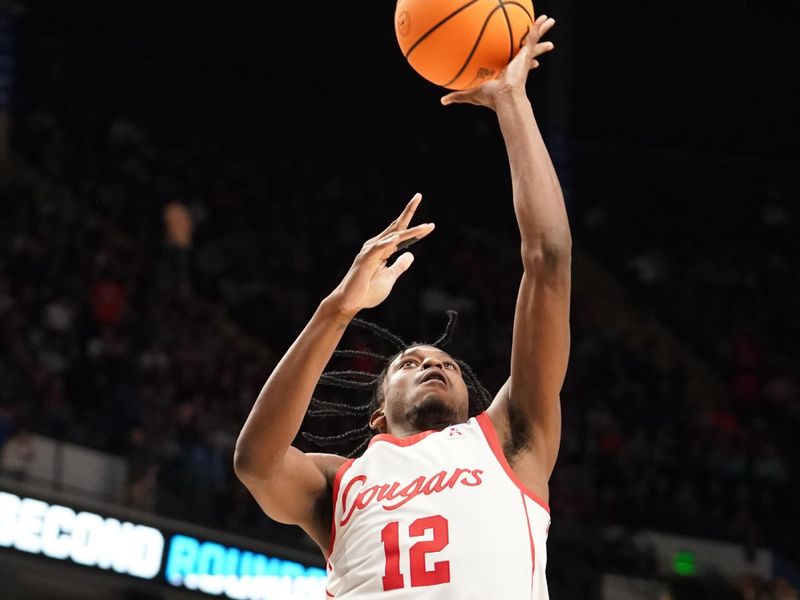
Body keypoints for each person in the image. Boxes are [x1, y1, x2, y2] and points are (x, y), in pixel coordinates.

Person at [235, 16, 568, 599]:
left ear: (472, 404)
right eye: (408, 364)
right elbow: (256, 463)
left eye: (444, 364)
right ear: (377, 419)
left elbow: (548, 262)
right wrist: (337, 309)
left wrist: (512, 102)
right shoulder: (340, 479)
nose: (433, 364)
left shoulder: (511, 439)